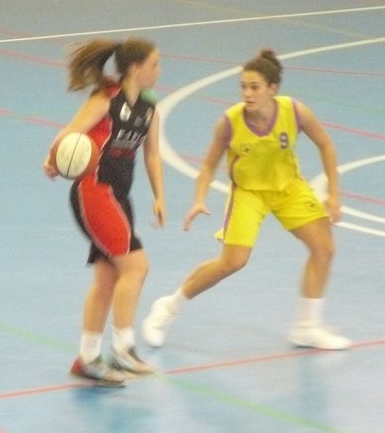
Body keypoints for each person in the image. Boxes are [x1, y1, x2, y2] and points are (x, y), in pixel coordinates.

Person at [142, 49, 351, 351]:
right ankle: (167, 307)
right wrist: (199, 199)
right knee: (232, 262)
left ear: (272, 88)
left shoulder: (295, 112)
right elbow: (208, 166)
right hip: (248, 193)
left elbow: (326, 146)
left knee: (324, 249)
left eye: (255, 87)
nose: (248, 94)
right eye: (243, 87)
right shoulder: (230, 122)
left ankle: (307, 327)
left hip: (288, 188)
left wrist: (334, 194)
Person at [44, 37, 166, 386]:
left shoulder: (150, 109)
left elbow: (152, 154)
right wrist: (52, 159)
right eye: (154, 64)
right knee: (137, 266)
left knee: (107, 278)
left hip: (119, 198)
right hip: (94, 192)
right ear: (135, 68)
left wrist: (159, 196)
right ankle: (124, 349)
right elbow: (69, 134)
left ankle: (88, 359)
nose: (159, 71)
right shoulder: (105, 99)